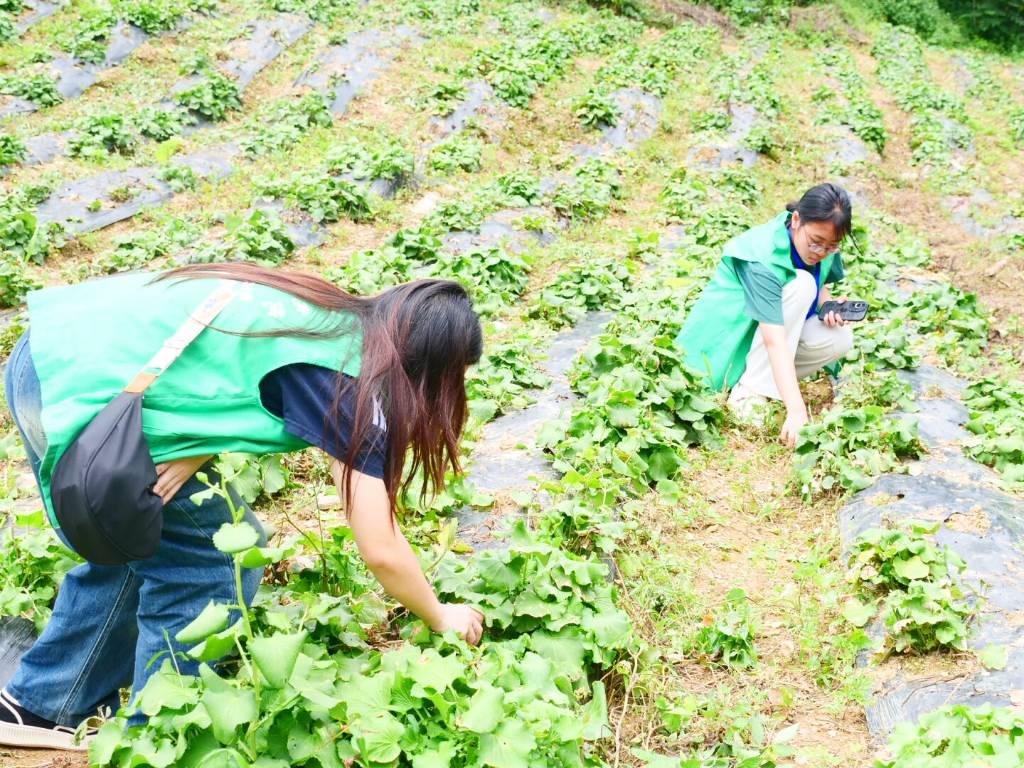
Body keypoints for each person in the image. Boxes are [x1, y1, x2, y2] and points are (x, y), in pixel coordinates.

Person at [0, 264, 485, 751]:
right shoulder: (344, 385)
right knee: (214, 562)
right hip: (89, 395)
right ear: (430, 369)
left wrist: (192, 443)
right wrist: (441, 616)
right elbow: (380, 548)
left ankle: (43, 703)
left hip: (52, 356)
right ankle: (154, 740)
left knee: (137, 538)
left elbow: (221, 348)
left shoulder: (323, 319)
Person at [676, 183, 855, 447]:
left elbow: (822, 284)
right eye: (816, 243)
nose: (820, 253)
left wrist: (828, 306)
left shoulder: (824, 245)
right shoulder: (762, 257)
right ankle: (749, 393)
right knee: (802, 284)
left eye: (831, 247)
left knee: (839, 339)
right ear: (796, 220)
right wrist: (797, 410)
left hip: (769, 337)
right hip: (728, 342)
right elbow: (774, 340)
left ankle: (767, 382)